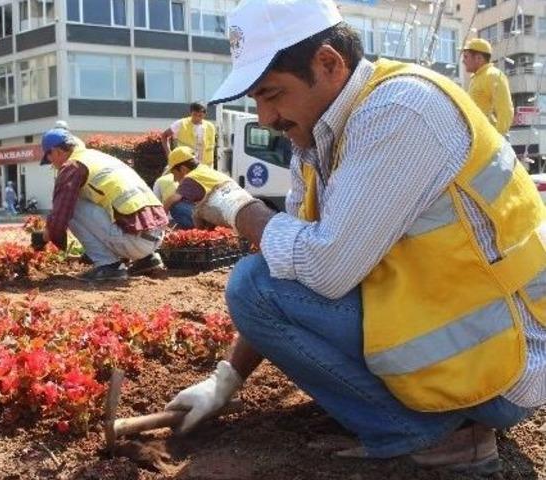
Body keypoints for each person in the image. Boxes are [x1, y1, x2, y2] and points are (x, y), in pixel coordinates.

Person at [164, 0, 546, 474]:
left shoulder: (400, 110)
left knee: (251, 284)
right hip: (470, 342)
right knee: (262, 283)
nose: (265, 117)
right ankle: (430, 417)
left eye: (272, 94)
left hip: (505, 367)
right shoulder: (318, 139)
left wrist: (238, 208)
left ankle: (435, 435)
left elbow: (322, 269)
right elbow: (290, 275)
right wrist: (226, 378)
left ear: (328, 63)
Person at [40, 128, 167, 281]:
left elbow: (60, 215)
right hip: (157, 236)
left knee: (73, 205)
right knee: (96, 200)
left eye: (49, 159)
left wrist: (44, 237)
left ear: (57, 151)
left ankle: (108, 265)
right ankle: (147, 259)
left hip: (136, 241)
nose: (52, 165)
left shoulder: (73, 166)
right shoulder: (97, 157)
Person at [161, 146, 248, 230]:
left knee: (177, 207)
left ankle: (203, 232)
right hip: (242, 210)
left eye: (174, 174)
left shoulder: (191, 178)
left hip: (229, 217)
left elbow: (173, 199)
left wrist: (161, 218)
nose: (174, 179)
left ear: (183, 169)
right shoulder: (204, 170)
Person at [462, 38, 513, 136]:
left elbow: (505, 110)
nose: (463, 61)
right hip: (477, 136)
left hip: (488, 139)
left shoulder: (493, 75)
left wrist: (497, 138)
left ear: (478, 58)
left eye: (466, 57)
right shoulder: (477, 77)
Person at [160, 102, 217, 167]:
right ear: (190, 112)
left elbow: (211, 147)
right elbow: (164, 136)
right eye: (195, 114)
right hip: (186, 165)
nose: (197, 118)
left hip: (206, 166)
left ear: (205, 114)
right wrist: (169, 155)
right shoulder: (181, 123)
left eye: (200, 115)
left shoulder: (210, 127)